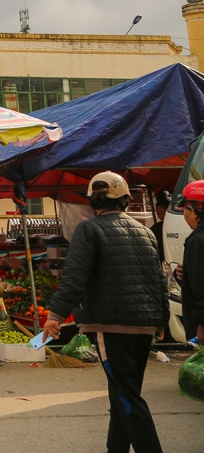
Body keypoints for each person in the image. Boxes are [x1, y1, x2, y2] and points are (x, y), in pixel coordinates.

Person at [42, 172, 166, 453]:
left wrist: (56, 315)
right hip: (145, 325)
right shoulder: (145, 231)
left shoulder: (89, 229)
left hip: (113, 326)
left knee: (127, 398)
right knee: (121, 394)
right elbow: (158, 280)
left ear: (91, 201)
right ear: (124, 201)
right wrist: (161, 320)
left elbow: (75, 277)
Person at [179, 181, 204, 348]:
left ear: (196, 209)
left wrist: (202, 325)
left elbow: (201, 288)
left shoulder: (197, 241)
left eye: (185, 209)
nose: (184, 215)